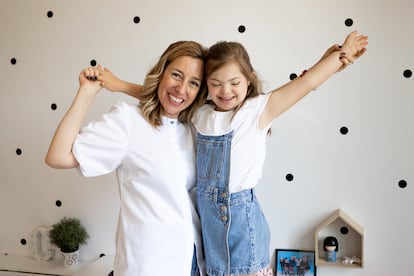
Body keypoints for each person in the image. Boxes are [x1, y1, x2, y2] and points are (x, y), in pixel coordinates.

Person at [98, 31, 368, 276]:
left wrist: (339, 57)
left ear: (249, 80)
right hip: (208, 221)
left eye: (234, 83)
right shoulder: (201, 113)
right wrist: (119, 85)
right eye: (215, 84)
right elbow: (167, 98)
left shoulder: (258, 110)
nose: (225, 91)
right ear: (206, 85)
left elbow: (306, 84)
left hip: (240, 222)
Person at [44, 41, 209, 276]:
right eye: (176, 75)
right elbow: (57, 157)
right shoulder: (128, 122)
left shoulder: (194, 127)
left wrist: (120, 84)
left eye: (194, 83)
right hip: (147, 266)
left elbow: (178, 98)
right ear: (161, 73)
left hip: (193, 263)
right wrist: (86, 93)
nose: (182, 89)